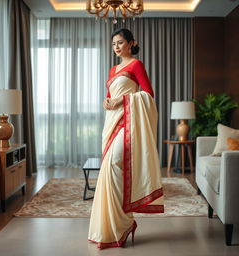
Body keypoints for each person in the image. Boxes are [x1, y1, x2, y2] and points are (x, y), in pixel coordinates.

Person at [88, 28, 164, 249]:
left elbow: (148, 94)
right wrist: (108, 102)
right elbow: (112, 97)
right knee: (110, 172)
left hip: (127, 123)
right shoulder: (113, 69)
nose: (117, 47)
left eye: (120, 43)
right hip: (111, 123)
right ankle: (119, 225)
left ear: (132, 43)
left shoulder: (136, 65)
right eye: (114, 44)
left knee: (113, 165)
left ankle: (122, 222)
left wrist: (122, 101)